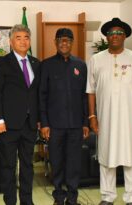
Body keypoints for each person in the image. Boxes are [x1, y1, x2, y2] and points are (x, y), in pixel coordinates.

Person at [86, 18, 132, 205]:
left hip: (131, 119)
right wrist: (92, 116)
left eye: (118, 33)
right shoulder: (96, 60)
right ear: (106, 37)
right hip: (105, 119)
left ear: (124, 36)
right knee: (106, 159)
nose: (114, 36)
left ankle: (131, 198)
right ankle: (107, 197)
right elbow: (90, 91)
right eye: (111, 33)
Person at [0, 24, 40, 205]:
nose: (22, 41)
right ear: (11, 42)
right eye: (18, 38)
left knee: (28, 165)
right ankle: (10, 201)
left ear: (29, 41)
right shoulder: (2, 63)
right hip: (8, 125)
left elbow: (38, 94)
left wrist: (40, 120)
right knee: (8, 166)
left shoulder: (36, 63)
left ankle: (27, 201)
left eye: (26, 37)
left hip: (30, 124)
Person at [39, 28, 89, 205]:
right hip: (54, 126)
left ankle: (73, 197)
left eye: (68, 40)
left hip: (76, 125)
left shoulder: (81, 65)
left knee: (74, 163)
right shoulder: (46, 65)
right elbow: (42, 96)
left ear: (72, 43)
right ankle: (59, 197)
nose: (64, 43)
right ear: (55, 42)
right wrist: (44, 123)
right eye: (61, 40)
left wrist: (85, 123)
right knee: (57, 162)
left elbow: (84, 96)